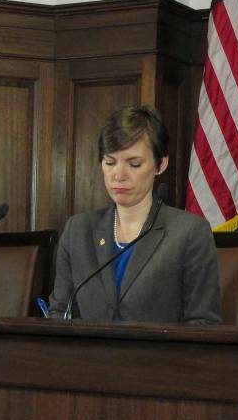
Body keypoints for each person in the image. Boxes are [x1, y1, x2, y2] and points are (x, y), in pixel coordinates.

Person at [48, 105, 221, 323]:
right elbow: (59, 314)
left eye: (134, 164)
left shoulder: (189, 233)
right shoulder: (77, 231)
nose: (119, 175)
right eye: (110, 162)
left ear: (161, 165)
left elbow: (203, 323)